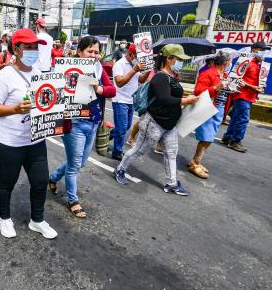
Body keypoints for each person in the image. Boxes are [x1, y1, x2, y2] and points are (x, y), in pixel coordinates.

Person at [0, 28, 58, 240]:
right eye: (29, 47)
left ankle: (37, 220)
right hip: (8, 142)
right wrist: (15, 109)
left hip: (35, 140)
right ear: (16, 49)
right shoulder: (5, 75)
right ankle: (4, 218)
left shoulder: (40, 73)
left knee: (41, 181)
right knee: (7, 182)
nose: (33, 51)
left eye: (36, 47)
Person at [113, 44, 199, 196]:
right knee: (139, 151)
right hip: (154, 123)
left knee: (171, 153)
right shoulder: (160, 76)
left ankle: (172, 183)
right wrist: (186, 101)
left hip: (169, 124)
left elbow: (172, 96)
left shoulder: (171, 77)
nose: (180, 62)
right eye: (178, 59)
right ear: (168, 59)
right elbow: (164, 99)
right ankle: (120, 169)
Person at [48, 36, 116, 218]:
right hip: (74, 124)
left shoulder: (99, 69)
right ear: (79, 51)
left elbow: (112, 90)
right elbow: (54, 92)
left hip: (93, 123)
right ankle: (73, 200)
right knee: (74, 165)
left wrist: (99, 88)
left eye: (96, 52)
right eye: (90, 51)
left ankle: (53, 177)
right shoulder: (66, 69)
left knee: (81, 162)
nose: (94, 55)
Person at [188, 51, 231, 179]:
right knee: (206, 137)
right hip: (208, 107)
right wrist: (217, 87)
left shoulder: (226, 75)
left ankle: (196, 160)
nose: (230, 63)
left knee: (210, 137)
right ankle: (195, 163)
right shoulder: (207, 73)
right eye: (229, 61)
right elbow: (198, 91)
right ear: (225, 62)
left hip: (220, 108)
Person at [221, 41, 270, 152]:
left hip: (250, 96)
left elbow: (257, 81)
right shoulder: (246, 62)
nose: (264, 53)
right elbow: (236, 78)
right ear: (254, 51)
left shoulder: (261, 65)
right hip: (242, 94)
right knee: (243, 118)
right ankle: (235, 141)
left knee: (237, 117)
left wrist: (262, 85)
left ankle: (227, 137)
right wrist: (252, 86)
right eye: (262, 51)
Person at [111, 43, 150, 161]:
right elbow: (119, 82)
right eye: (137, 56)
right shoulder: (119, 64)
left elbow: (141, 80)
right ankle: (117, 151)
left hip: (130, 100)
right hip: (120, 99)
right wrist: (134, 69)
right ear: (131, 54)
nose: (139, 60)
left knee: (126, 126)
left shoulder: (135, 65)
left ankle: (108, 135)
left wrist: (148, 70)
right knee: (122, 127)